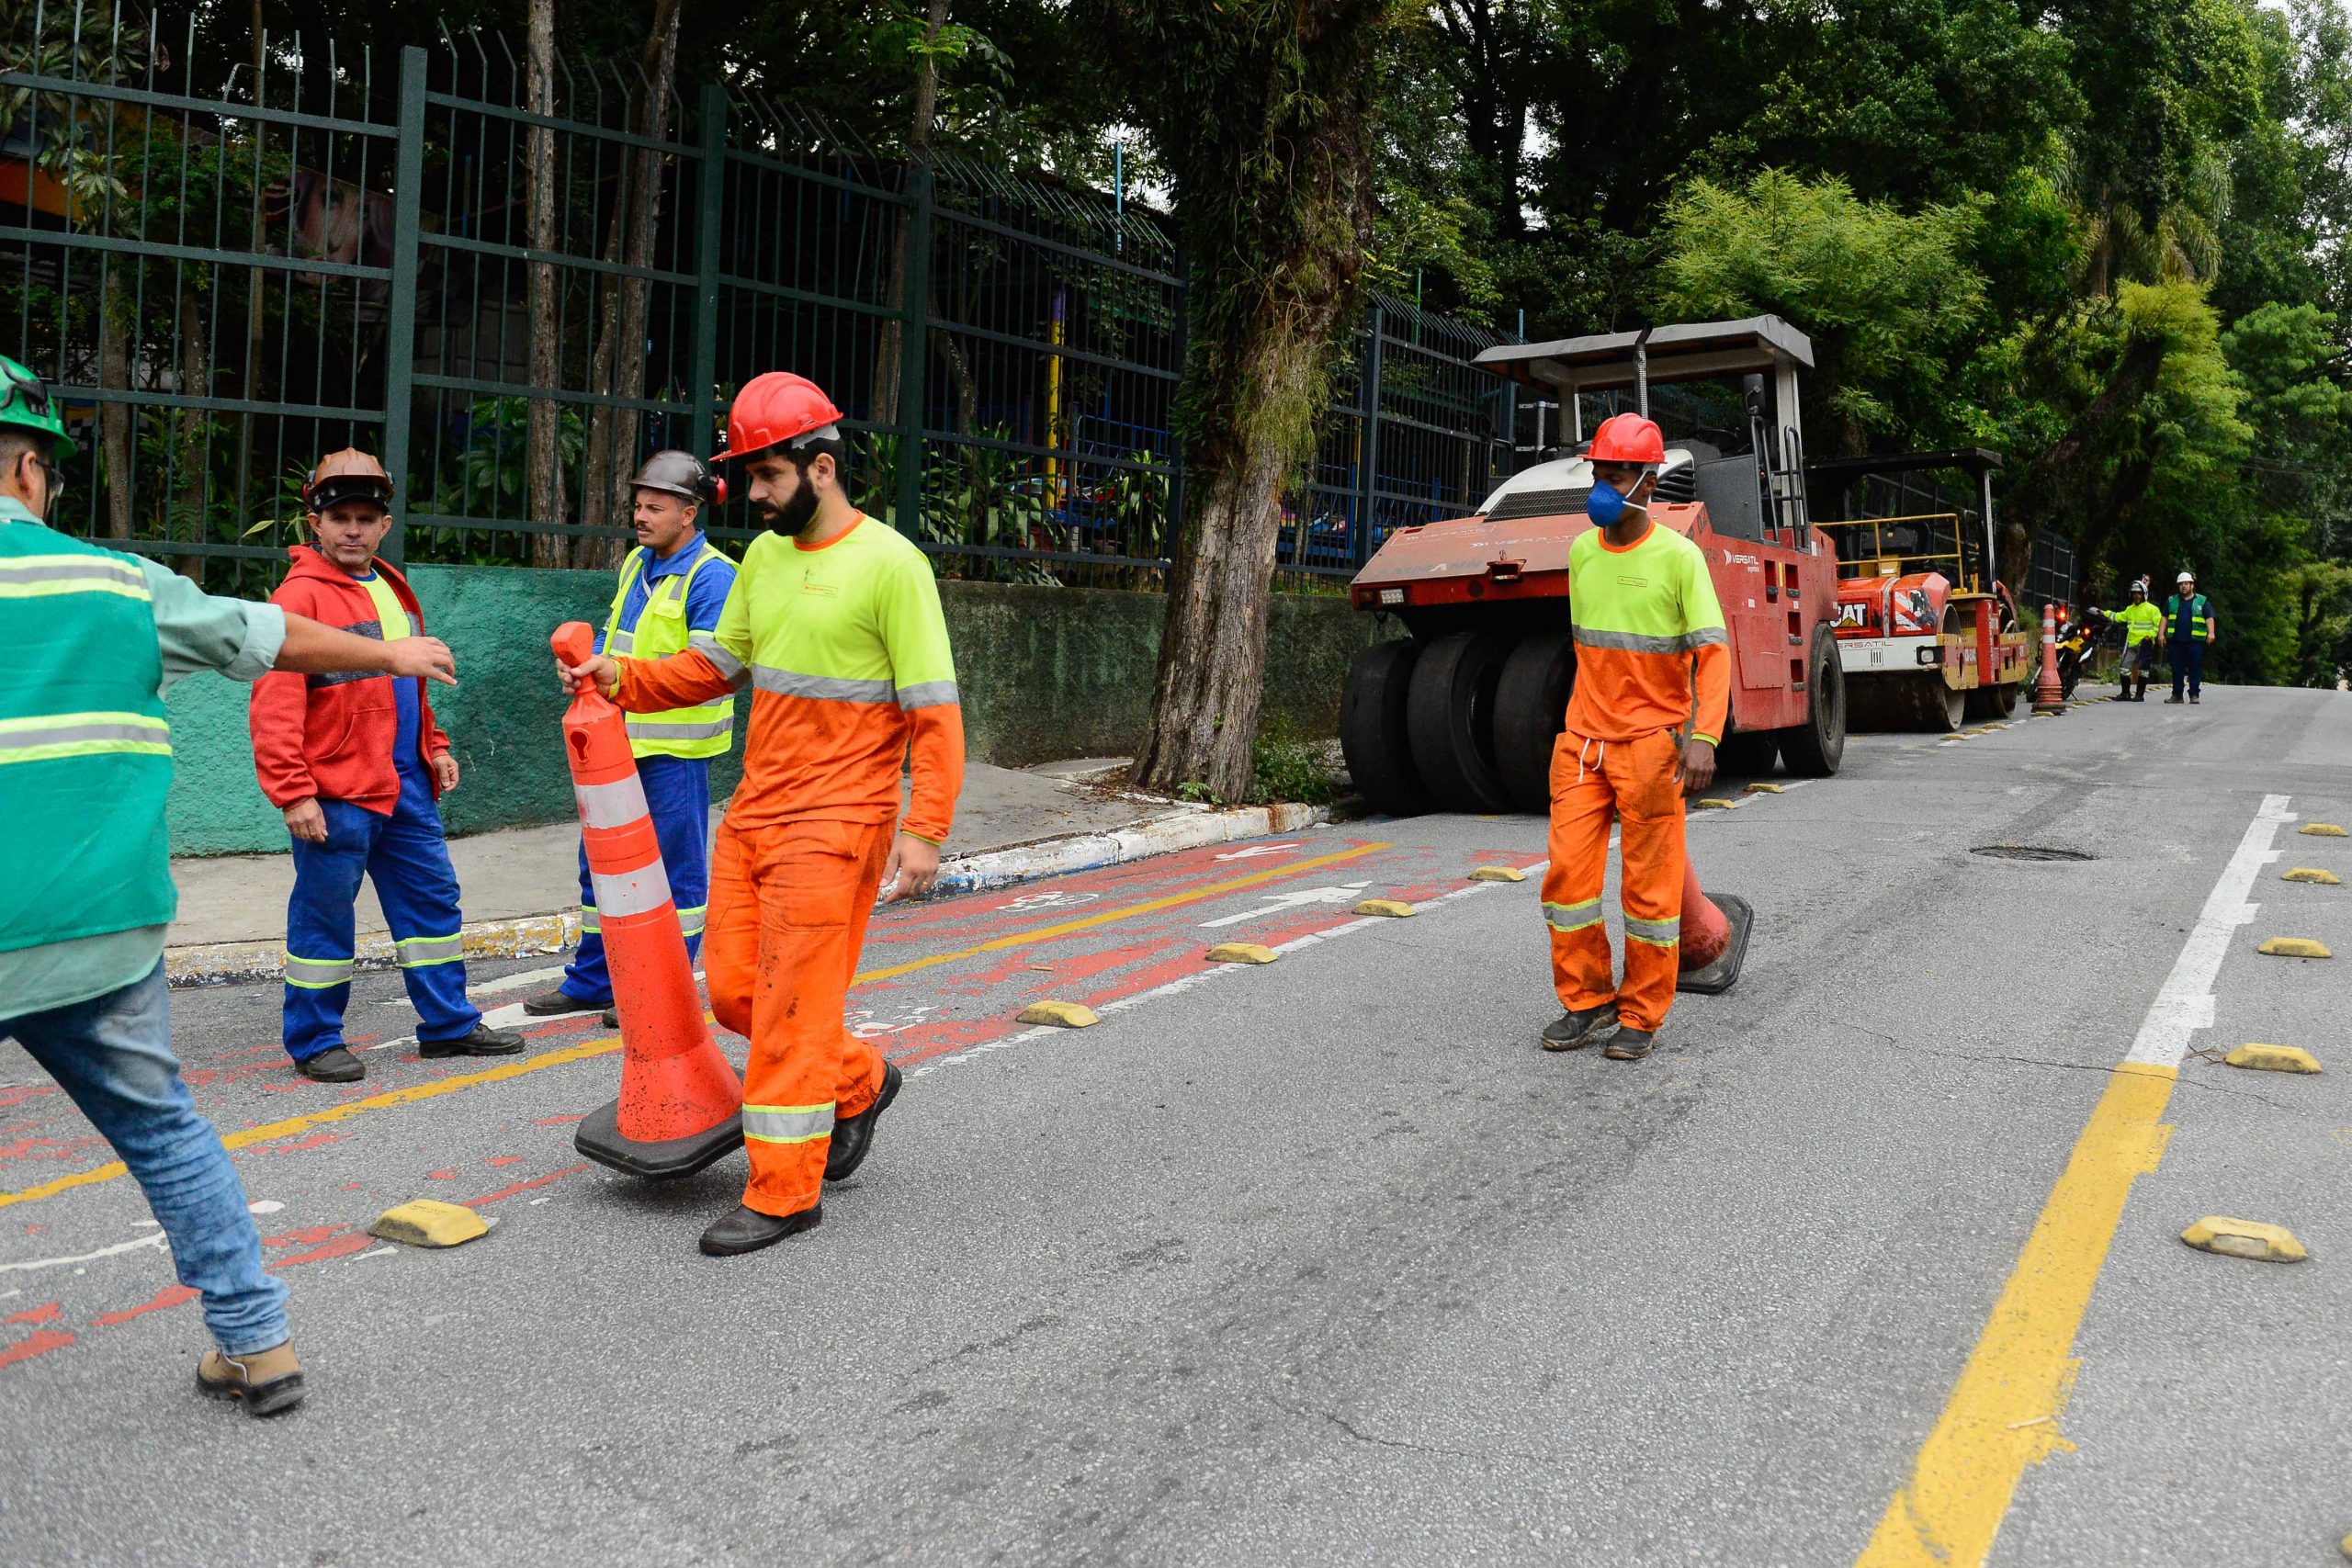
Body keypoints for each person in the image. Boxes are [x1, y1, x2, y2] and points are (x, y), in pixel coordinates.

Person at [0, 359, 463, 1415]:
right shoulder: (114, 582)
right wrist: (386, 665)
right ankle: (256, 1341)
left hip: (380, 800)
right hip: (100, 930)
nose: (358, 524)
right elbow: (264, 647)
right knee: (166, 1129)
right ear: (32, 470)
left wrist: (411, 712)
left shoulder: (389, 584)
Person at [558, 371, 965, 1257]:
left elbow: (934, 711)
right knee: (737, 989)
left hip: (840, 821)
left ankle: (785, 1190)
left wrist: (925, 828)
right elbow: (715, 665)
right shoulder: (768, 562)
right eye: (746, 476)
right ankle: (858, 1080)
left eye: (765, 476)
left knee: (785, 1013)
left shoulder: (894, 565)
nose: (750, 494)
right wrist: (621, 681)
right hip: (756, 813)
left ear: (820, 468)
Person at [248, 451, 523, 1083]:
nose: (352, 529)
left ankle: (448, 1025)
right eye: (339, 516)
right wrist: (293, 793)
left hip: (406, 787)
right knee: (323, 917)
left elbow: (413, 684)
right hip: (337, 794)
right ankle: (316, 1040)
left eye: (365, 517)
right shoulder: (299, 598)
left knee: (432, 906)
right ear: (313, 523)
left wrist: (437, 747)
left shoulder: (394, 587)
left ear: (385, 524)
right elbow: (274, 705)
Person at [1538, 412, 1728, 1063]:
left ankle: (1641, 1012)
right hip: (1583, 744)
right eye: (1599, 470)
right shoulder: (1581, 553)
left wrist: (1702, 736)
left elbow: (1712, 652)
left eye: (1617, 472)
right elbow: (1588, 650)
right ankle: (1586, 998)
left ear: (1648, 482)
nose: (1604, 483)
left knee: (1648, 891)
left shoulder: (1680, 558)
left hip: (1651, 747)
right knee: (1567, 880)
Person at [524, 454, 737, 1029]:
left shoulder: (714, 577)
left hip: (675, 754)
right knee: (600, 864)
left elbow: (706, 669)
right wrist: (590, 667)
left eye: (654, 507)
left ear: (689, 513)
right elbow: (620, 639)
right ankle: (595, 981)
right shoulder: (637, 563)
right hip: (619, 744)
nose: (640, 517)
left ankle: (665, 989)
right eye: (638, 506)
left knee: (676, 874)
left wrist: (614, 672)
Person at [2164, 569, 2216, 705]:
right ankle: (2177, 695)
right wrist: (2160, 634)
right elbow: (2164, 617)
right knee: (2176, 669)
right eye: (2181, 584)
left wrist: (2211, 633)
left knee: (2195, 667)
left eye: (2186, 584)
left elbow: (2209, 618)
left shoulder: (2202, 601)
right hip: (2176, 641)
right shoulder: (2172, 601)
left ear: (2192, 585)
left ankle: (2194, 694)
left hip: (2195, 642)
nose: (2184, 586)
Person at [2106, 580, 2165, 701]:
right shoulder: (2130, 609)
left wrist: (2150, 635)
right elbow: (2118, 617)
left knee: (2143, 669)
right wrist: (2104, 613)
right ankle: (2125, 694)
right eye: (2134, 593)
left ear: (2144, 594)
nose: (2136, 596)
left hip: (2145, 643)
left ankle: (2139, 695)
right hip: (2132, 643)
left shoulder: (2152, 609)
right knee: (2124, 667)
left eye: (2139, 593)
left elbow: (2158, 625)